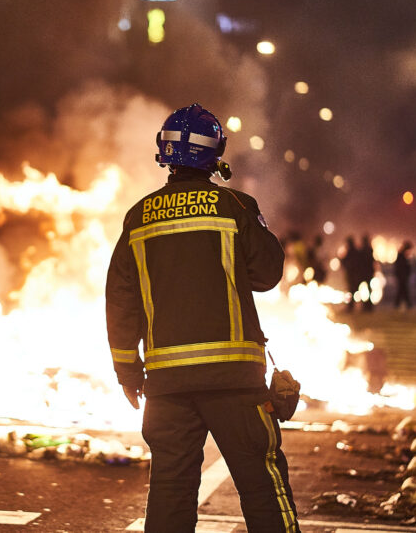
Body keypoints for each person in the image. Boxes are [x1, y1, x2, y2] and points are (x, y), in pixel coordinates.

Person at [105, 103, 299, 532]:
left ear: (166, 153)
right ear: (215, 153)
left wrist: (126, 369)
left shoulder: (139, 217)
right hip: (234, 382)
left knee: (170, 492)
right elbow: (266, 275)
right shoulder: (233, 206)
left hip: (168, 385)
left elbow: (121, 299)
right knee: (263, 488)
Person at [393, 241, 413, 311]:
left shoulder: (402, 255)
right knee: (403, 290)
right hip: (402, 276)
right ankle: (407, 304)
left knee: (402, 290)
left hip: (402, 276)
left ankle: (399, 304)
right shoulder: (402, 256)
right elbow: (401, 267)